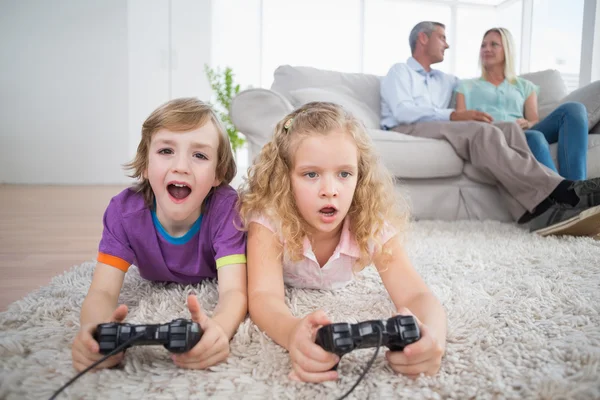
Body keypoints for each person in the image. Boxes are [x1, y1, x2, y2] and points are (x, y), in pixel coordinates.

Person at [238, 102, 446, 383]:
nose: (330, 191)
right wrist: (291, 332)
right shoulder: (271, 220)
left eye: (344, 174)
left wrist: (433, 337)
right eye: (311, 174)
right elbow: (264, 296)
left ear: (360, 178)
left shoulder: (369, 222)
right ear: (285, 179)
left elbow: (415, 295)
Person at [71, 98, 248, 372]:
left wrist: (221, 330)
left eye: (199, 155)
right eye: (166, 150)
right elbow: (103, 290)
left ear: (218, 174)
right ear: (145, 165)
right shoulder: (123, 212)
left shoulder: (226, 209)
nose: (181, 166)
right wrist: (94, 332)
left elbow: (234, 290)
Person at [380, 21, 600, 237]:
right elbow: (402, 111)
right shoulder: (400, 71)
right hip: (408, 127)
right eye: (442, 37)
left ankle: (531, 214)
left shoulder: (445, 80)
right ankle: (563, 191)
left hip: (438, 125)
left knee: (506, 129)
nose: (447, 45)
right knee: (482, 131)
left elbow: (473, 85)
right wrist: (454, 114)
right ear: (423, 38)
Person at [455, 27, 589, 181]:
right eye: (483, 45)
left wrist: (528, 123)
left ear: (507, 49)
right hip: (493, 135)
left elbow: (534, 120)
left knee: (574, 109)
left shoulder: (525, 86)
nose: (487, 49)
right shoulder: (466, 86)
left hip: (522, 133)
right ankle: (564, 193)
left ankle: (578, 187)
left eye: (494, 45)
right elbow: (459, 120)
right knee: (536, 138)